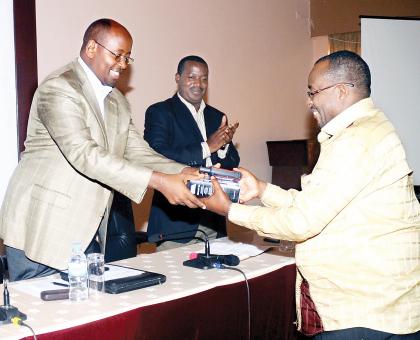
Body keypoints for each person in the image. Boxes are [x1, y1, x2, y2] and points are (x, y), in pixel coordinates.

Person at [202, 50, 420, 339]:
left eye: (313, 92)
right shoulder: (366, 130)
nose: (309, 102)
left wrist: (229, 210)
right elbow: (316, 205)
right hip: (374, 307)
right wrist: (262, 189)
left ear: (341, 91)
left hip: (363, 313)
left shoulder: (355, 140)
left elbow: (302, 222)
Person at [0, 18, 205, 282]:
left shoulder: (118, 101)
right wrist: (161, 182)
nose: (122, 64)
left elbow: (139, 151)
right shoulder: (59, 88)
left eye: (127, 58)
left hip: (85, 232)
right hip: (42, 228)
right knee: (48, 319)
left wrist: (188, 173)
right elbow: (85, 154)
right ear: (91, 48)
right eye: (117, 55)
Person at [144, 55, 240, 250]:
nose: (199, 84)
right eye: (192, 77)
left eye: (204, 78)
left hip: (214, 221)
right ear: (177, 78)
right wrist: (208, 146)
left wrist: (222, 147)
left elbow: (232, 163)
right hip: (175, 224)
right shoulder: (160, 112)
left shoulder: (217, 116)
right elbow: (157, 155)